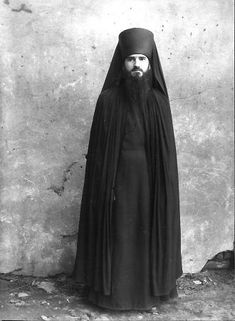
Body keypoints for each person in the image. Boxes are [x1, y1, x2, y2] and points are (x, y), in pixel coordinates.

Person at [73, 27, 182, 311]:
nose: (136, 64)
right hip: (115, 182)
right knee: (117, 233)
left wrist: (161, 189)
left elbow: (165, 157)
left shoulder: (159, 103)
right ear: (122, 63)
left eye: (142, 59)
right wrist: (106, 184)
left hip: (150, 184)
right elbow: (99, 156)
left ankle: (147, 295)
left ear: (150, 64)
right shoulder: (108, 102)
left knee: (147, 232)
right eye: (131, 59)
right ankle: (111, 296)